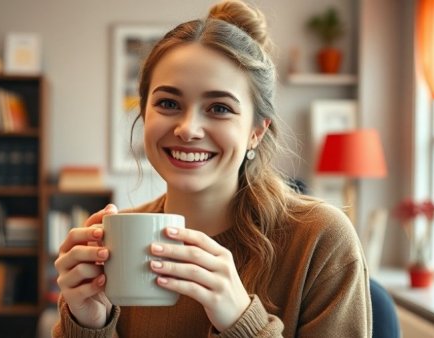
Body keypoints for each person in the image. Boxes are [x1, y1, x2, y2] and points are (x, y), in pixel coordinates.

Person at [53, 1, 372, 336]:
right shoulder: (114, 247)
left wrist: (241, 321)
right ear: (145, 114)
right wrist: (88, 324)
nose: (188, 129)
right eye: (168, 103)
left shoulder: (319, 241)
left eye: (219, 107)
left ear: (256, 131)